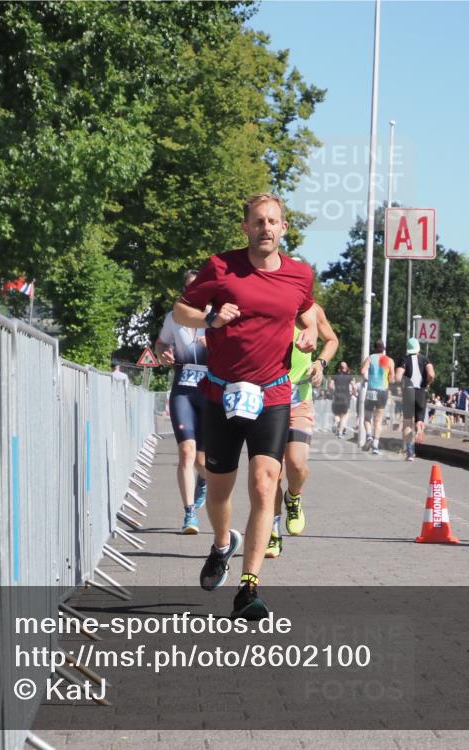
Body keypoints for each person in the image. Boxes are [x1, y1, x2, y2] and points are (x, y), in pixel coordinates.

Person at [173, 193, 317, 619]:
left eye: (273, 222)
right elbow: (182, 311)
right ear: (246, 227)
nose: (266, 228)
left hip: (273, 393)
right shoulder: (220, 267)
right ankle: (222, 544)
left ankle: (249, 587)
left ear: (283, 228)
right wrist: (210, 320)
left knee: (263, 484)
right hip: (221, 392)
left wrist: (308, 338)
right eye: (258, 222)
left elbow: (307, 317)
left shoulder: (300, 275)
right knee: (218, 488)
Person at [265, 303, 339, 558]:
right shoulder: (267, 305)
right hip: (268, 399)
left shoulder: (313, 311)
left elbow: (331, 340)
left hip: (299, 400)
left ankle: (293, 497)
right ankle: (272, 533)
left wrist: (320, 363)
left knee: (296, 464)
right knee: (271, 473)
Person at [156, 270, 209, 534]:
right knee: (186, 452)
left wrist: (213, 340)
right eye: (190, 289)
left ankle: (204, 481)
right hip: (183, 391)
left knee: (204, 460)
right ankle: (189, 514)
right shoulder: (174, 317)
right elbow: (161, 343)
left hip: (211, 393)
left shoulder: (217, 318)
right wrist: (163, 352)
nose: (194, 293)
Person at [396, 337, 435, 461]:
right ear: (418, 348)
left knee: (407, 422)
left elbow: (397, 377)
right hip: (420, 392)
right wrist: (428, 383)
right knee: (419, 420)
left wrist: (400, 385)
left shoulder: (404, 359)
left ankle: (410, 451)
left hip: (408, 392)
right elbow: (431, 374)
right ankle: (419, 430)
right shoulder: (425, 360)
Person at [361, 342, 394, 455]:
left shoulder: (370, 358)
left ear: (374, 348)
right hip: (383, 391)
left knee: (367, 417)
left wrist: (366, 379)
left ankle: (369, 436)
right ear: (384, 349)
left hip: (371, 390)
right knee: (378, 420)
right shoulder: (389, 360)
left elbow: (362, 371)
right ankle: (375, 445)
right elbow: (392, 378)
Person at [331, 361, 356, 438]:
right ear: (346, 368)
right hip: (346, 397)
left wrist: (333, 392)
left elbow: (330, 386)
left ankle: (336, 421)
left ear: (339, 368)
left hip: (337, 396)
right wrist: (354, 393)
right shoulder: (349, 376)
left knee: (336, 414)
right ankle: (340, 433)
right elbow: (354, 386)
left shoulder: (335, 376)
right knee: (344, 415)